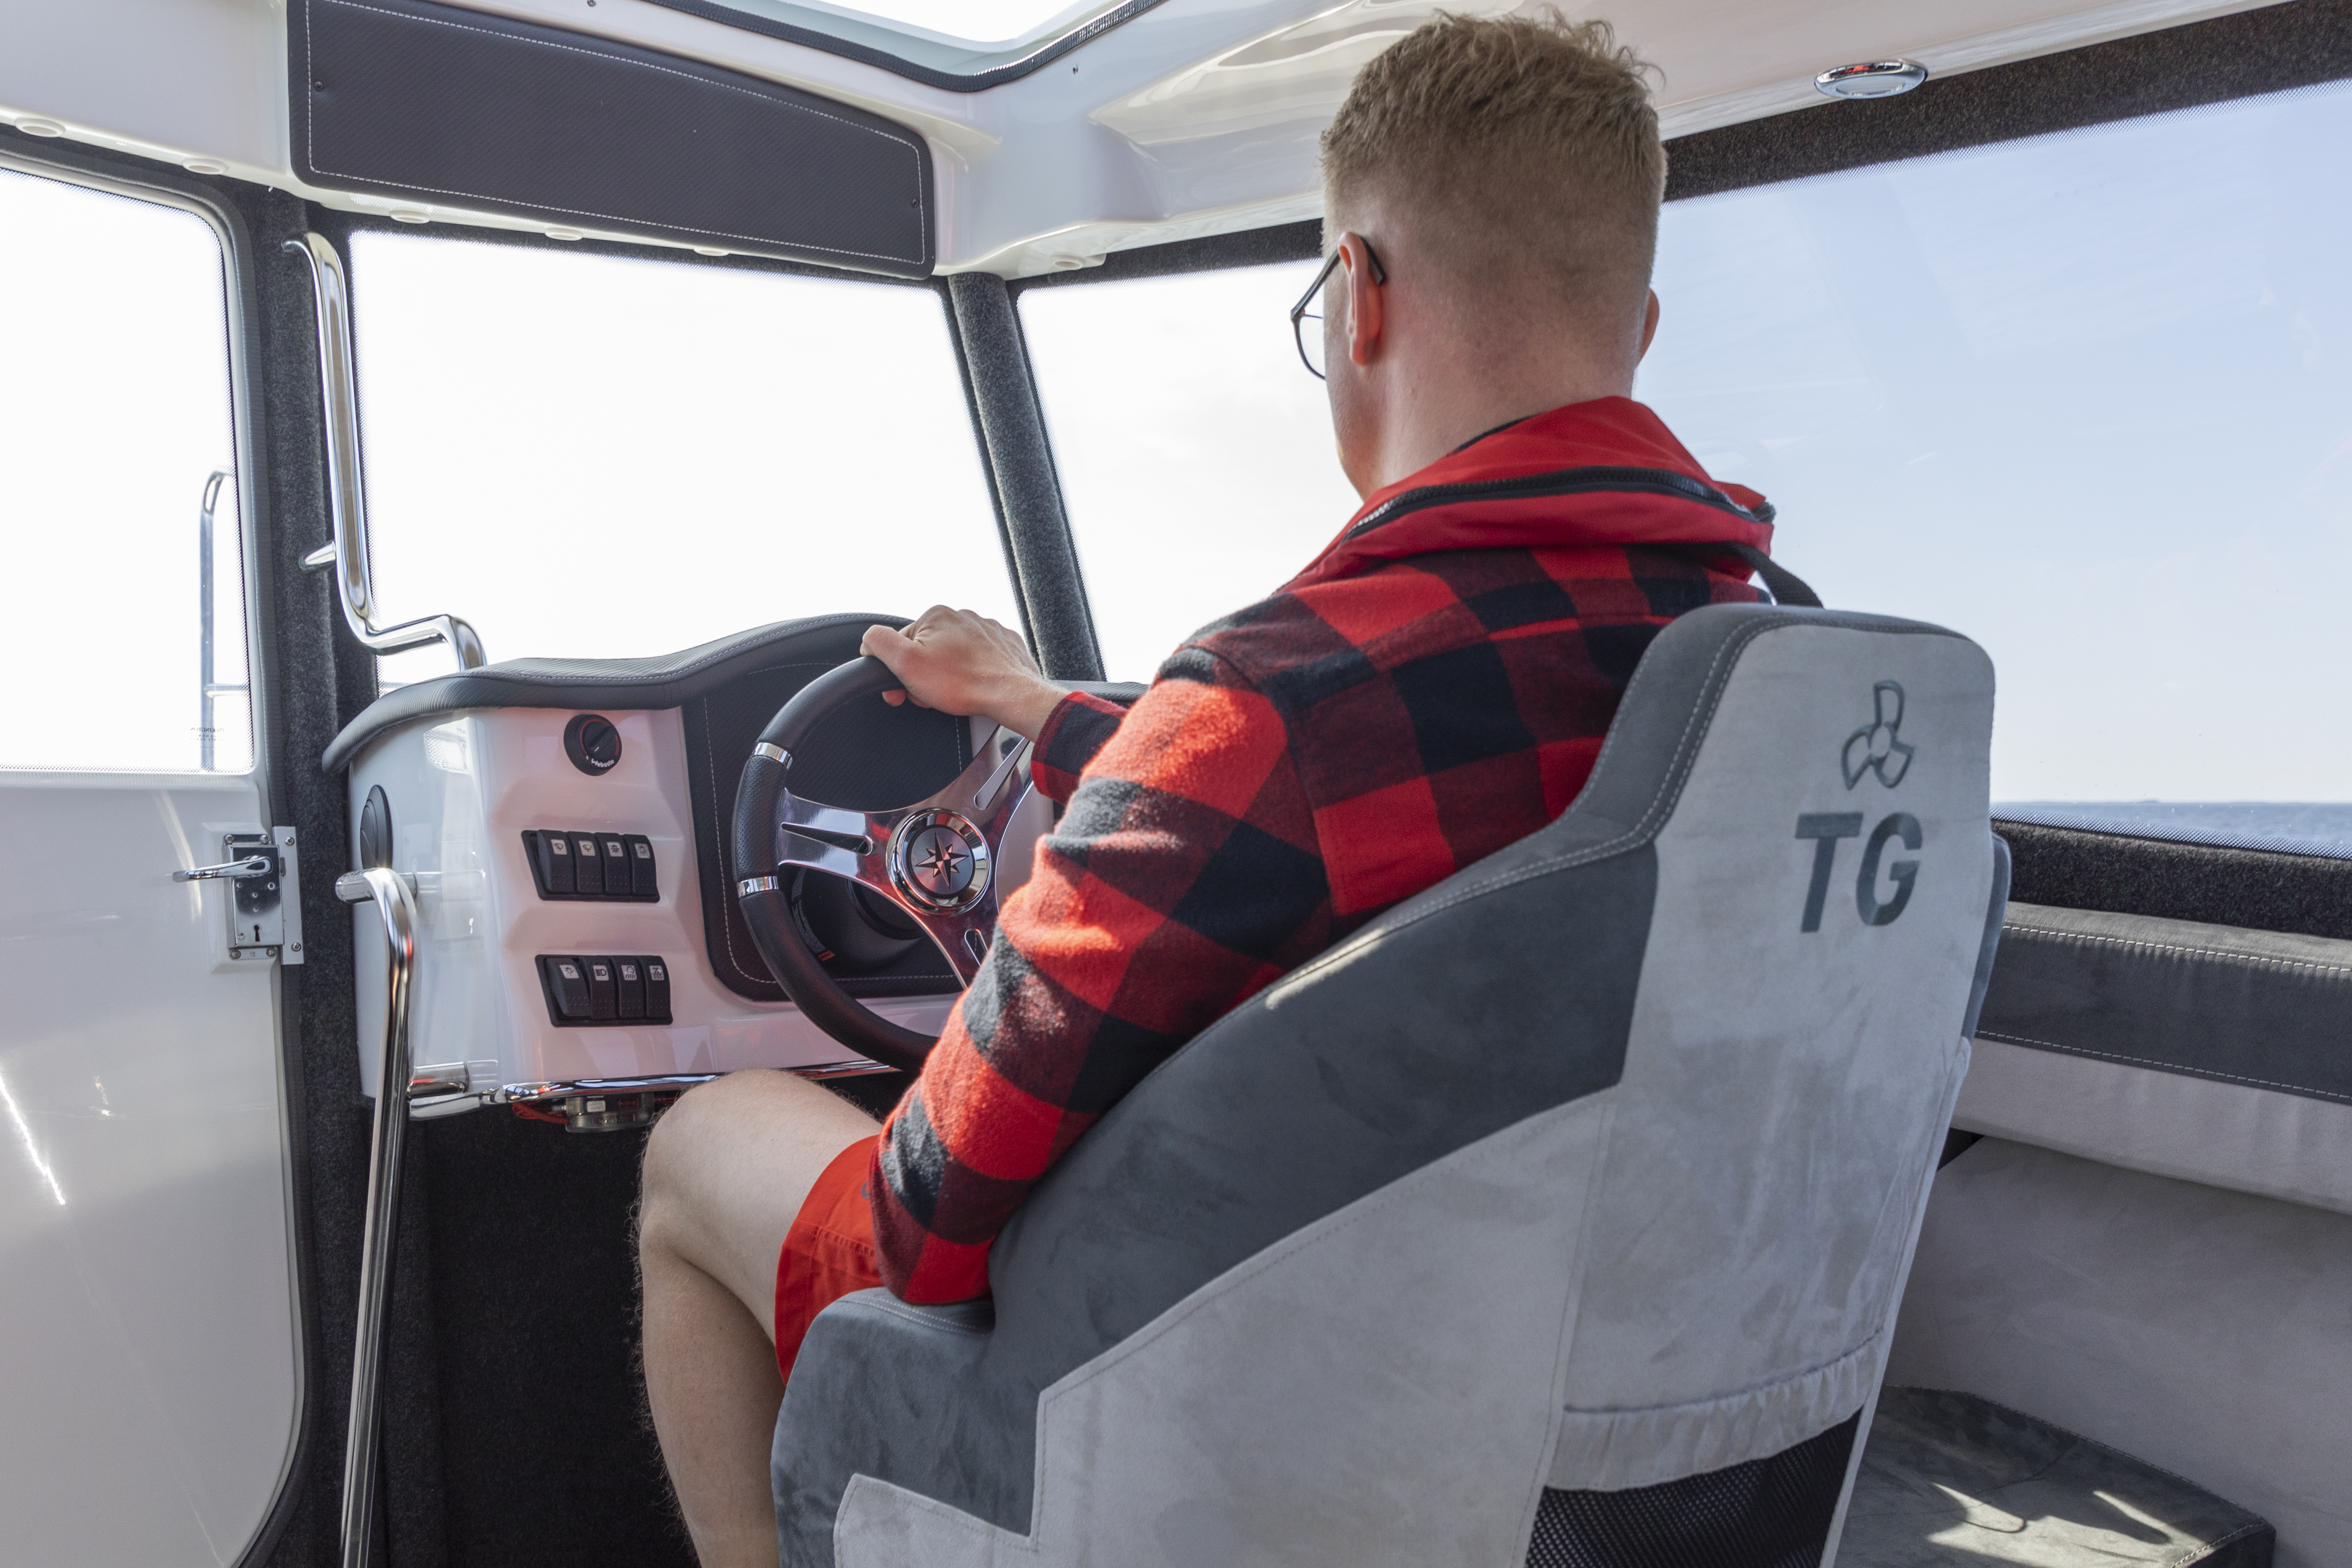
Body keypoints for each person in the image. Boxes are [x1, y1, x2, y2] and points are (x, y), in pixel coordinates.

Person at [636, 12, 1783, 1564]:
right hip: (1614, 1438)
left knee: (700, 1143)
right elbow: (1315, 768)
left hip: (1246, 1446)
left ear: (1359, 295)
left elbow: (931, 1215)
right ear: (1636, 327)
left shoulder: (1273, 700)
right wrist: (1040, 708)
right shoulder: (1763, 668)